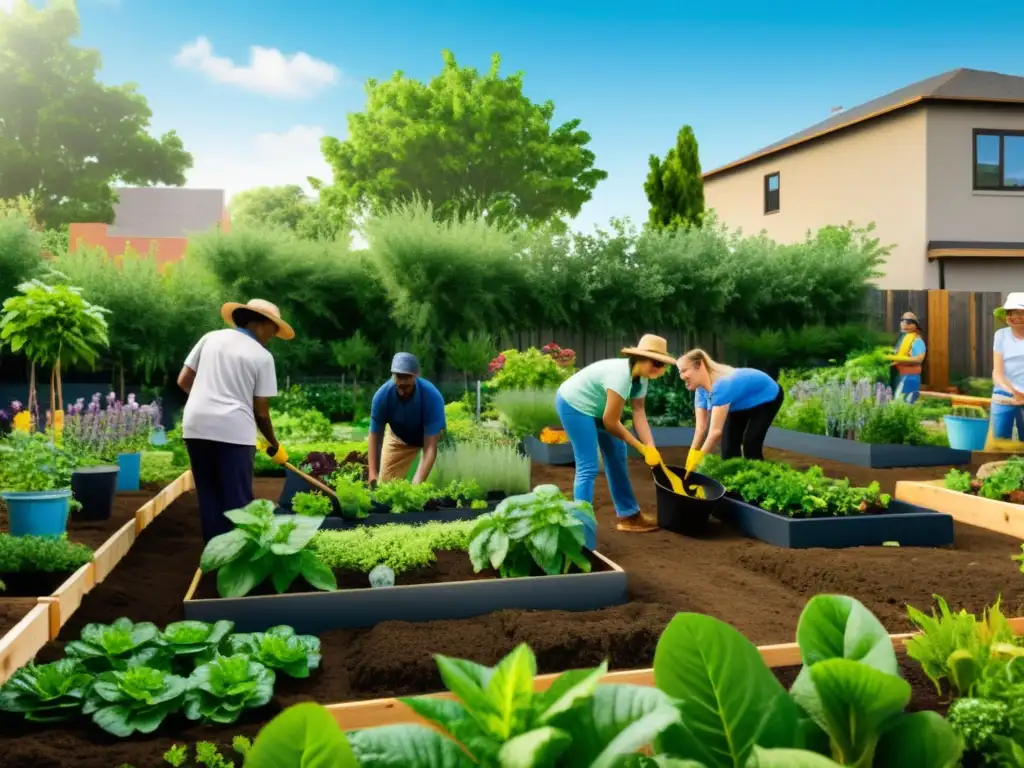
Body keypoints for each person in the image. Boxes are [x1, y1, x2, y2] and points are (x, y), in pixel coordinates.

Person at [176, 299, 293, 542]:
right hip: (234, 431)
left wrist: (208, 398)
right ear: (261, 323)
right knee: (237, 500)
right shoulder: (262, 356)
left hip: (196, 426)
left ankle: (215, 557)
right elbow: (260, 411)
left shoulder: (211, 337)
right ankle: (238, 562)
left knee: (208, 495)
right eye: (273, 329)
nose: (272, 336)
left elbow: (184, 381)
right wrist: (273, 443)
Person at [555, 334, 675, 533]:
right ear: (641, 358)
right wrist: (640, 447)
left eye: (662, 365)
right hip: (574, 405)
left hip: (596, 408)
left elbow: (639, 412)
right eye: (656, 363)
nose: (660, 369)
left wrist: (651, 447)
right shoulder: (621, 376)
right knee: (588, 465)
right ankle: (581, 528)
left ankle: (629, 515)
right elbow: (611, 422)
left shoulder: (641, 378)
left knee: (617, 451)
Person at [677, 349, 783, 474]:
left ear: (699, 366)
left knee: (750, 447)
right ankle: (734, 484)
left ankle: (763, 480)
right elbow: (700, 429)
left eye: (684, 371)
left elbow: (715, 433)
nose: (681, 376)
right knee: (728, 451)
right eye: (680, 372)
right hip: (740, 403)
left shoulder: (722, 385)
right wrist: (689, 463)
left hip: (767, 398)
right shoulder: (700, 391)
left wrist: (696, 464)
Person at [367, 352, 446, 487]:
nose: (402, 391)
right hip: (399, 438)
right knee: (386, 486)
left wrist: (417, 482)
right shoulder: (382, 396)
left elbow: (430, 448)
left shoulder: (431, 396)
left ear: (415, 377)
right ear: (393, 377)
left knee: (434, 482)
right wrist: (372, 472)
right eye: (399, 386)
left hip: (430, 436)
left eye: (407, 387)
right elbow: (375, 436)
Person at [992, 293, 1024, 442]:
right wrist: (1013, 392)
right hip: (1004, 392)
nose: (1015, 316)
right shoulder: (1001, 335)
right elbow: (997, 372)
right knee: (1000, 439)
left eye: (1020, 312)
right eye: (1010, 312)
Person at [886, 311, 927, 403]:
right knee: (896, 402)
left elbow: (919, 359)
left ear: (915, 326)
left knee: (906, 403)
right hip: (899, 375)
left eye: (908, 323)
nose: (904, 325)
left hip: (910, 377)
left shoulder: (917, 340)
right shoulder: (903, 339)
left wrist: (896, 358)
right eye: (902, 322)